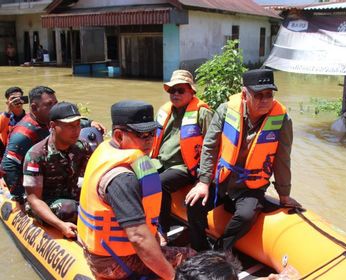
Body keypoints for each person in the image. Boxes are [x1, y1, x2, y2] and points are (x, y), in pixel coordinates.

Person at [185, 69, 301, 251]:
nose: (265, 100)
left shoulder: (282, 119)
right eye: (259, 95)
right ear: (245, 94)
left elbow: (282, 158)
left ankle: (218, 251)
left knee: (246, 216)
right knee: (193, 204)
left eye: (269, 95)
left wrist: (284, 194)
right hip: (221, 180)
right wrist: (204, 182)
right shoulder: (225, 111)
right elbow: (210, 146)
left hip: (250, 187)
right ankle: (199, 248)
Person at [78, 101, 195, 280]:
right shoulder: (122, 179)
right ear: (118, 135)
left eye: (152, 133)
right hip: (114, 261)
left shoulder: (108, 150)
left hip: (108, 251)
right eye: (141, 134)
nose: (149, 140)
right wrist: (171, 277)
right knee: (193, 257)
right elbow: (139, 238)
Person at [1, 86, 105, 204]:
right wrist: (20, 198)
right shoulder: (23, 134)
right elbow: (8, 165)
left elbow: (68, 121)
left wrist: (90, 122)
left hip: (52, 169)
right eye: (49, 104)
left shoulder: (48, 119)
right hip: (33, 177)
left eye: (56, 103)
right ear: (35, 107)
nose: (55, 108)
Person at [152, 70, 213, 246]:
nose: (175, 94)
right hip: (159, 161)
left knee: (159, 183)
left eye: (180, 90)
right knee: (136, 175)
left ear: (191, 92)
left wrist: (205, 178)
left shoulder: (202, 113)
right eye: (172, 91)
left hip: (185, 166)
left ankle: (162, 230)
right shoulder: (166, 111)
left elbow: (213, 145)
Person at [23, 102, 91, 238]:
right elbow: (34, 199)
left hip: (70, 194)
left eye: (78, 125)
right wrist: (61, 225)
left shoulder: (81, 146)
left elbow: (89, 176)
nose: (76, 130)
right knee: (69, 209)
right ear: (53, 126)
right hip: (46, 203)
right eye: (70, 126)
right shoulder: (36, 155)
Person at [0, 87, 26, 159]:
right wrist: (7, 112)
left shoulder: (30, 118)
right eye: (13, 98)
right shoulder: (2, 117)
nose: (17, 100)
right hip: (5, 153)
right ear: (7, 102)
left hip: (22, 153)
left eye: (19, 98)